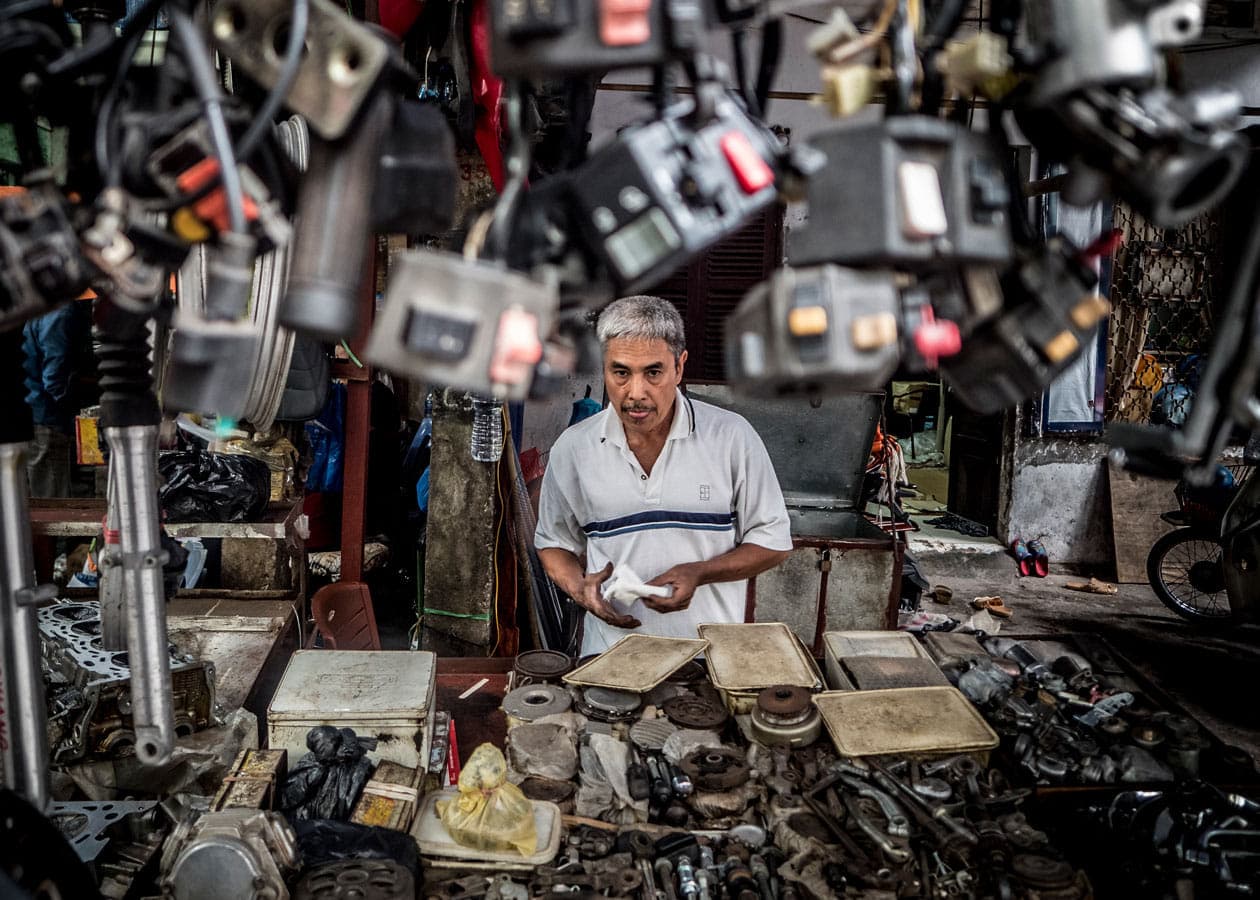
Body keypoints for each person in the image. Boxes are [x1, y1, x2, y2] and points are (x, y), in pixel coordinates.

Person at [536, 295, 793, 655]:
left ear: (679, 367)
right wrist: (581, 590)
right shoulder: (574, 448)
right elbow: (553, 543)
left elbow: (774, 542)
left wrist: (700, 572)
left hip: (710, 657)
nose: (635, 393)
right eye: (621, 372)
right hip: (609, 656)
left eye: (653, 372)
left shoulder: (731, 437)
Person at [23, 302, 90, 498]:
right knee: (51, 498)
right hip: (46, 417)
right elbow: (54, 376)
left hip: (34, 412)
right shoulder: (59, 311)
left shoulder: (42, 307)